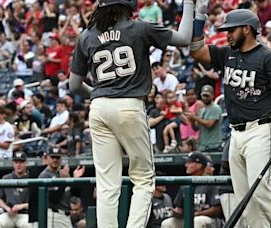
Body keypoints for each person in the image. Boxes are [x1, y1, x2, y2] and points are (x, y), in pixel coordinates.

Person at [68, 0, 195, 226]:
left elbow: (74, 86)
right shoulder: (139, 27)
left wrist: (98, 93)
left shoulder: (86, 35)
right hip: (129, 104)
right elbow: (184, 38)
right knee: (144, 179)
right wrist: (189, 4)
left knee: (107, 184)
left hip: (98, 107)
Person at [189, 8, 271, 227]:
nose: (227, 35)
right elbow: (197, 52)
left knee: (261, 194)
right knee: (245, 201)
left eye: (231, 30)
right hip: (236, 133)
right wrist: (199, 20)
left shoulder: (268, 58)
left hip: (262, 129)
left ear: (247, 29)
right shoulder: (227, 54)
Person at [161, 152, 222, 228]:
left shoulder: (209, 182)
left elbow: (216, 210)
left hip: (210, 219)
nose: (186, 165)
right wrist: (175, 212)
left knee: (197, 221)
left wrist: (197, 214)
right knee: (167, 223)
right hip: (191, 218)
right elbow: (179, 209)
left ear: (199, 165)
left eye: (189, 163)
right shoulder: (184, 184)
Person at [38, 147, 85, 228]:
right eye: (52, 157)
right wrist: (63, 181)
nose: (55, 160)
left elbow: (75, 194)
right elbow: (53, 200)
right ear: (47, 158)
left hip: (66, 215)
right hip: (54, 215)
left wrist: (75, 179)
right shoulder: (45, 175)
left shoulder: (63, 173)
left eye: (57, 157)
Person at [0, 151, 30, 228]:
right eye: (16, 162)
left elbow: (36, 201)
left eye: (21, 162)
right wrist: (7, 208)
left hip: (25, 214)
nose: (18, 165)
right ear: (13, 164)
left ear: (26, 163)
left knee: (29, 225)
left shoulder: (32, 178)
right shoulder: (6, 178)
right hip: (9, 214)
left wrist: (22, 206)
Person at [184, 85, 223, 152]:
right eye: (203, 95)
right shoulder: (201, 110)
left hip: (213, 145)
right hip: (202, 146)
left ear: (212, 96)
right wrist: (192, 120)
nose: (205, 98)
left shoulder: (215, 108)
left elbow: (209, 124)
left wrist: (195, 117)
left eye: (207, 96)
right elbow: (196, 128)